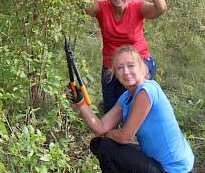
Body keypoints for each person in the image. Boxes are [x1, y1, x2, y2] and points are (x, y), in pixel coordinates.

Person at [71, 45, 194, 173]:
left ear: (141, 67)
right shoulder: (126, 97)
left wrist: (107, 134)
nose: (126, 71)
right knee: (99, 144)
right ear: (115, 74)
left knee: (106, 147)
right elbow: (100, 127)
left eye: (131, 66)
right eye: (120, 68)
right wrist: (81, 103)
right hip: (158, 162)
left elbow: (125, 137)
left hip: (174, 169)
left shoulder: (146, 91)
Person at [85, 0, 167, 113]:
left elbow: (161, 8)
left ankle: (139, 115)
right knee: (111, 111)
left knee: (136, 88)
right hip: (112, 65)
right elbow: (80, 4)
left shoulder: (137, 7)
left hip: (140, 60)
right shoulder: (102, 8)